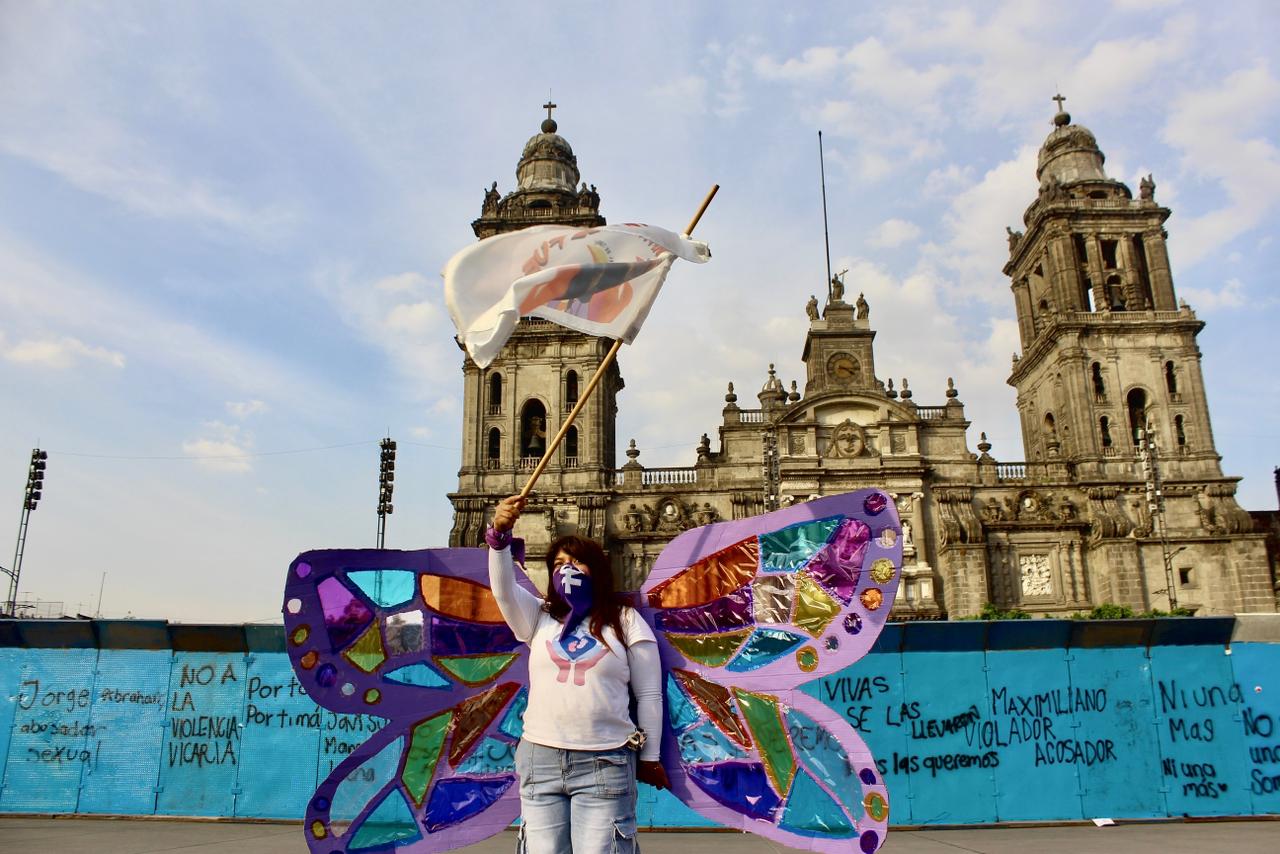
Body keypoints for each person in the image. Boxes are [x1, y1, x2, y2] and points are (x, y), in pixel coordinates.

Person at [487, 495, 667, 853]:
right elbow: (504, 591)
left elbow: (649, 694)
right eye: (558, 563)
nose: (566, 569)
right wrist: (499, 537)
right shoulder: (537, 616)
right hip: (541, 759)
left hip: (606, 759)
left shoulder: (626, 619)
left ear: (597, 570)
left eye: (577, 562)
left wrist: (650, 758)